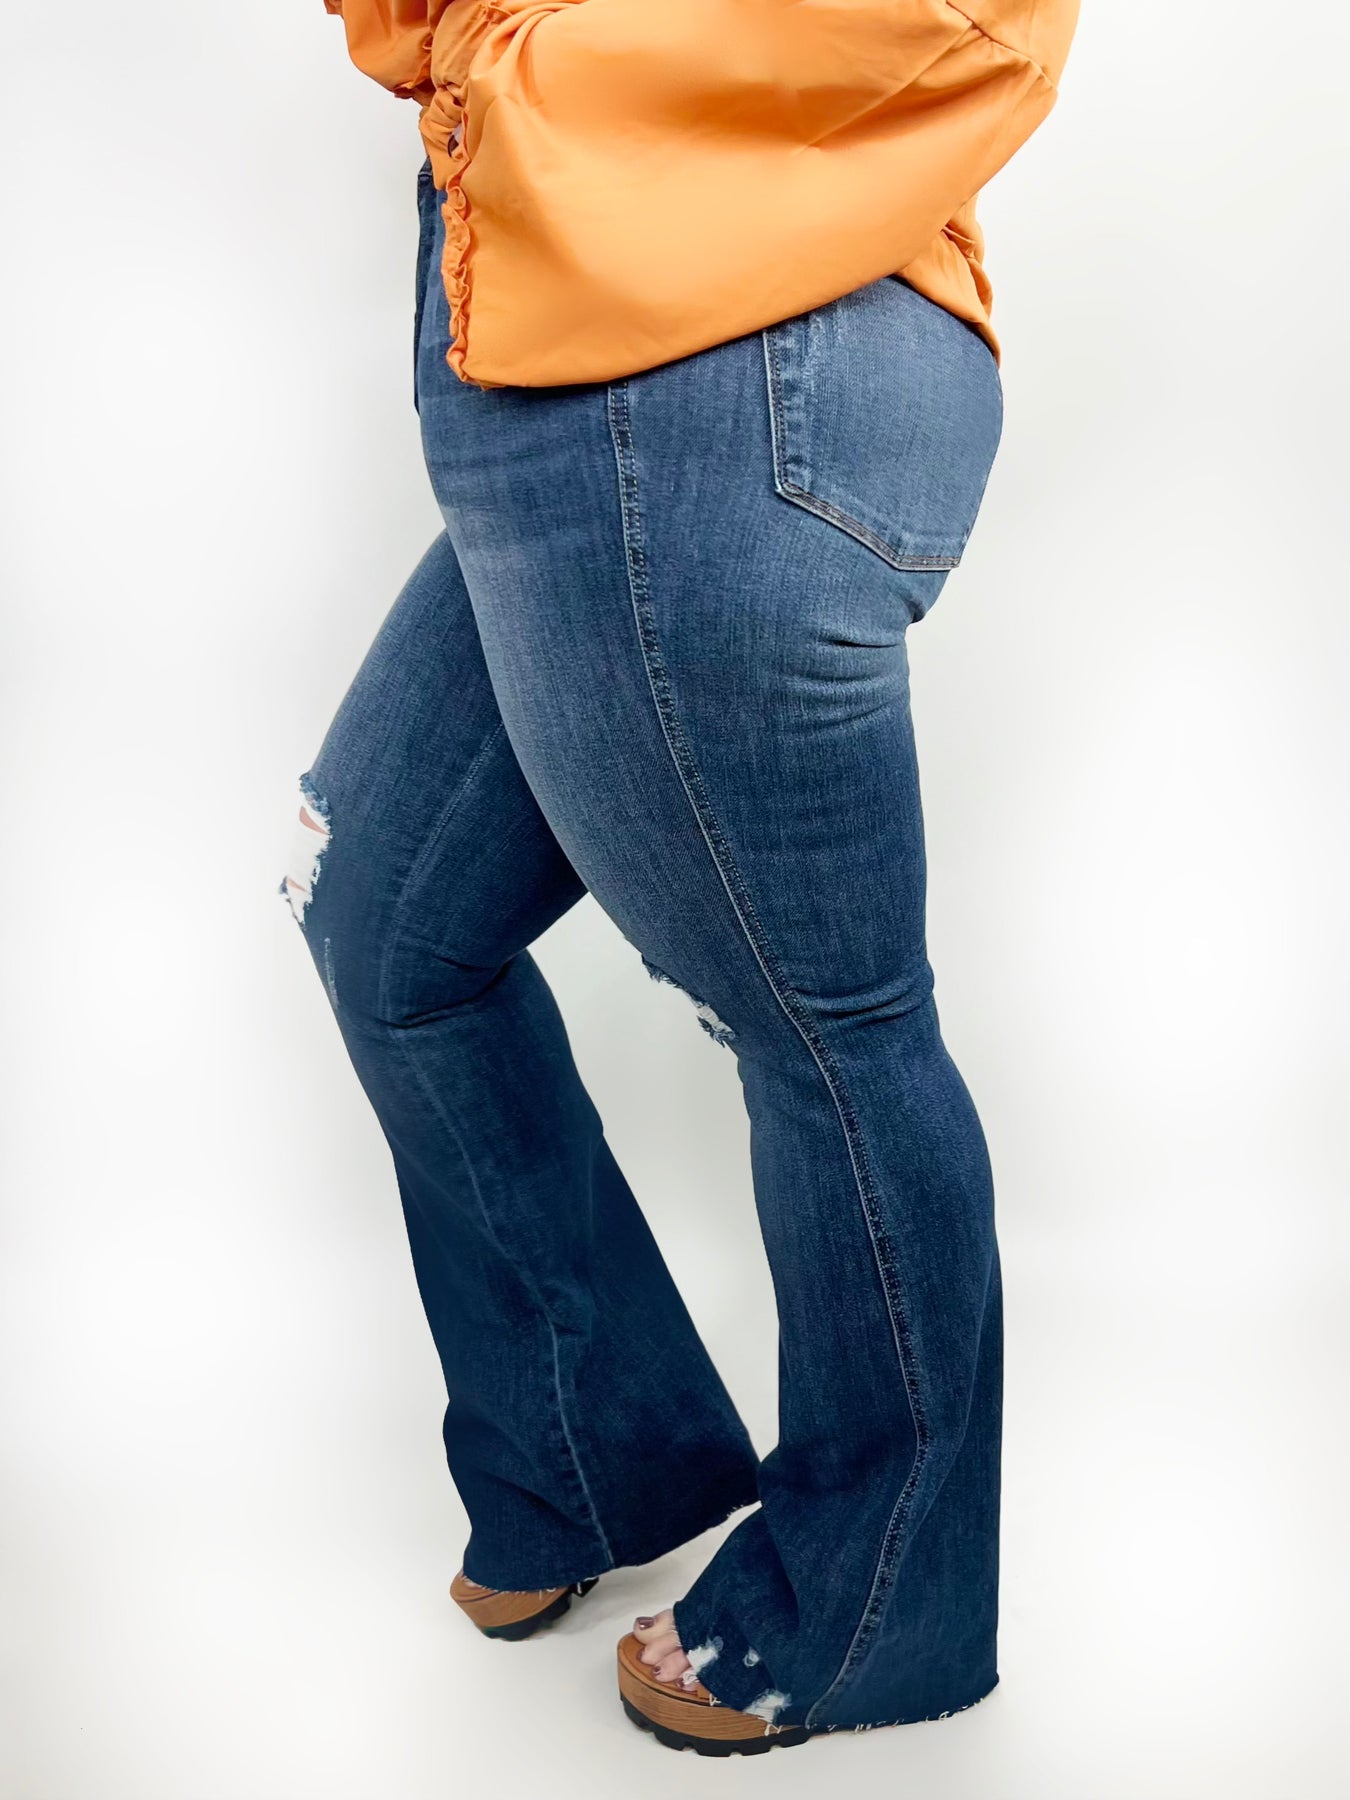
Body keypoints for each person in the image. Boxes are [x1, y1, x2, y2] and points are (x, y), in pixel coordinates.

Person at [282, 0, 1079, 1756]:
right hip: (561, 371)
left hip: (727, 372)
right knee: (387, 920)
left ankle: (870, 1612)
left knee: (825, 1030)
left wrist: (513, 69)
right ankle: (594, 1458)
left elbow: (970, 24)